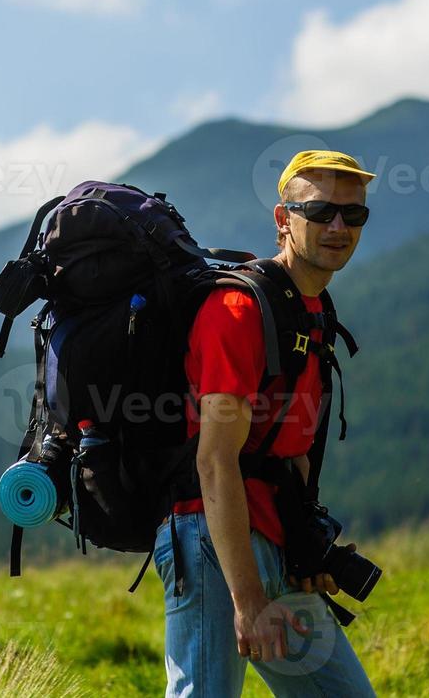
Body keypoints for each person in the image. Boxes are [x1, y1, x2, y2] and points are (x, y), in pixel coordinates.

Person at [155, 150, 377, 697]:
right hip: (213, 541)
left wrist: (303, 545)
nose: (338, 227)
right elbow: (214, 459)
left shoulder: (313, 310)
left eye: (354, 215)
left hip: (277, 535)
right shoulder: (238, 310)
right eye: (321, 211)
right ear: (283, 220)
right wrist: (248, 600)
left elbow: (291, 447)